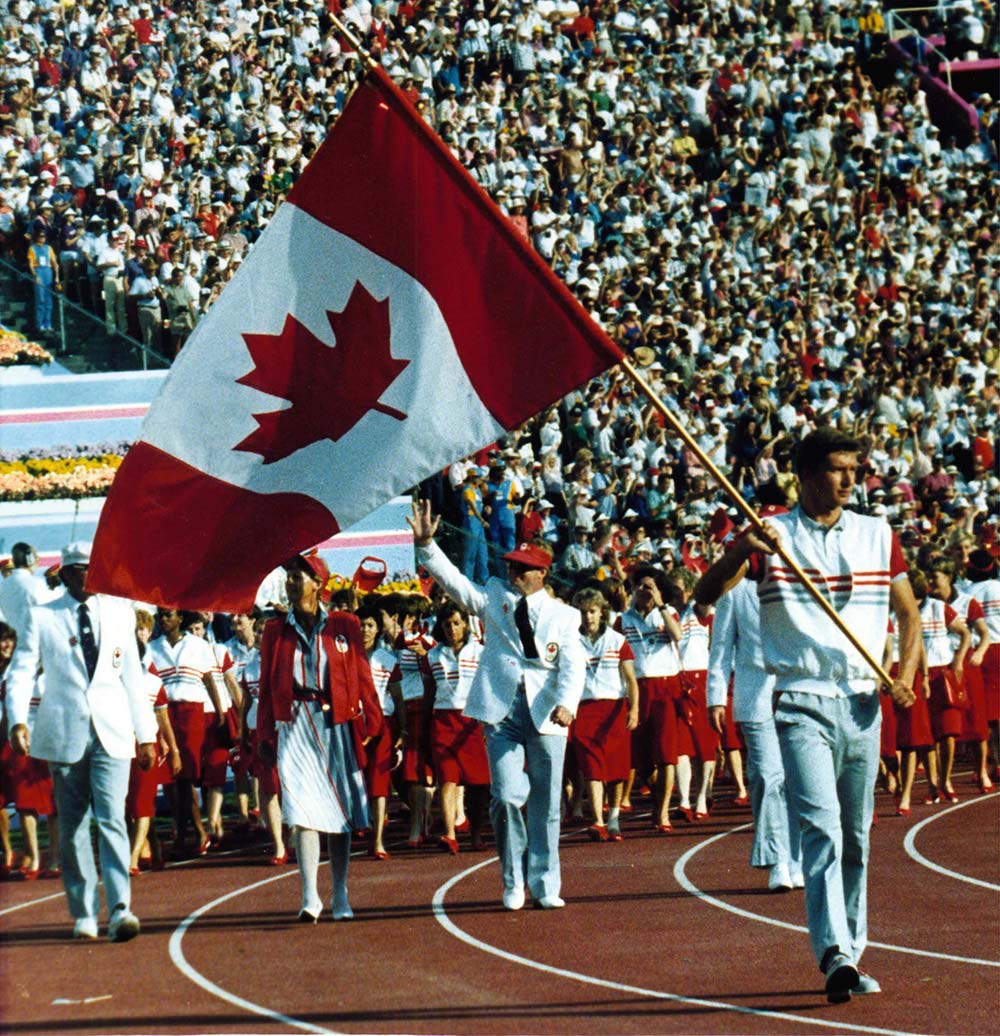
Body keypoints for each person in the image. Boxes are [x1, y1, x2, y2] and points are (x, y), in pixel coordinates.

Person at [695, 428, 920, 1004]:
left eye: (856, 470)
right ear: (807, 474)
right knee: (820, 828)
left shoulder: (877, 533)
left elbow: (910, 615)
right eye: (839, 469)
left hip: (865, 701)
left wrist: (908, 674)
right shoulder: (772, 533)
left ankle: (852, 948)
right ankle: (834, 955)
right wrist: (742, 550)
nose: (852, 480)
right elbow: (705, 593)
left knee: (857, 836)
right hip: (800, 700)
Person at [408, 500, 585, 910]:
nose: (514, 573)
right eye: (511, 566)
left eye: (523, 568)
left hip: (546, 711)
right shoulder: (493, 596)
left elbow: (573, 663)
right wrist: (427, 547)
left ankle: (544, 882)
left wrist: (567, 703)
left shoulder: (564, 615)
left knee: (546, 801)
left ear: (542, 573)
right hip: (501, 709)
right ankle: (512, 879)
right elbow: (455, 585)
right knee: (505, 795)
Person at [5, 541, 158, 942]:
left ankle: (121, 907)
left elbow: (132, 679)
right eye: (80, 570)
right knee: (73, 826)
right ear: (67, 574)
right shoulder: (43, 617)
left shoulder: (120, 613)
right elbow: (21, 672)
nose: (89, 577)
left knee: (111, 817)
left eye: (94, 568)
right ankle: (85, 910)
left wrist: (147, 735)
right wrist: (17, 720)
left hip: (113, 730)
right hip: (65, 732)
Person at [256, 551, 382, 923]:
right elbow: (266, 686)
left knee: (339, 813)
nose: (291, 582)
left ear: (318, 584)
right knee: (302, 811)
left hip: (336, 723)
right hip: (294, 724)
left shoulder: (345, 625)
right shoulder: (275, 631)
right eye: (289, 576)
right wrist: (264, 733)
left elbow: (362, 677)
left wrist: (373, 723)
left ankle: (340, 891)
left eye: (299, 576)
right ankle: (310, 894)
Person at [706, 576, 803, 891]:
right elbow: (720, 649)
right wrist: (716, 699)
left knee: (796, 778)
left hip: (797, 691)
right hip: (754, 695)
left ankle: (795, 858)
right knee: (766, 775)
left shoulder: (797, 581)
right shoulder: (733, 591)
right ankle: (777, 860)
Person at [421, 601, 490, 853]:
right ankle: (449, 833)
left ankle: (475, 833)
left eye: (457, 623)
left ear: (465, 624)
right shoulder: (432, 656)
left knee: (478, 783)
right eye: (447, 624)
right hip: (443, 721)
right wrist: (425, 725)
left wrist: (488, 720)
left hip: (473, 721)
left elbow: (488, 688)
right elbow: (429, 694)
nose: (452, 628)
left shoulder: (480, 653)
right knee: (447, 778)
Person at [571, 586, 639, 842]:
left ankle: (613, 819)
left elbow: (630, 680)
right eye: (583, 612)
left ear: (602, 613)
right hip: (585, 708)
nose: (588, 617)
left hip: (613, 708)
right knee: (592, 767)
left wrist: (634, 709)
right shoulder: (571, 641)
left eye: (592, 612)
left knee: (616, 768)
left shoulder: (617, 640)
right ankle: (598, 820)